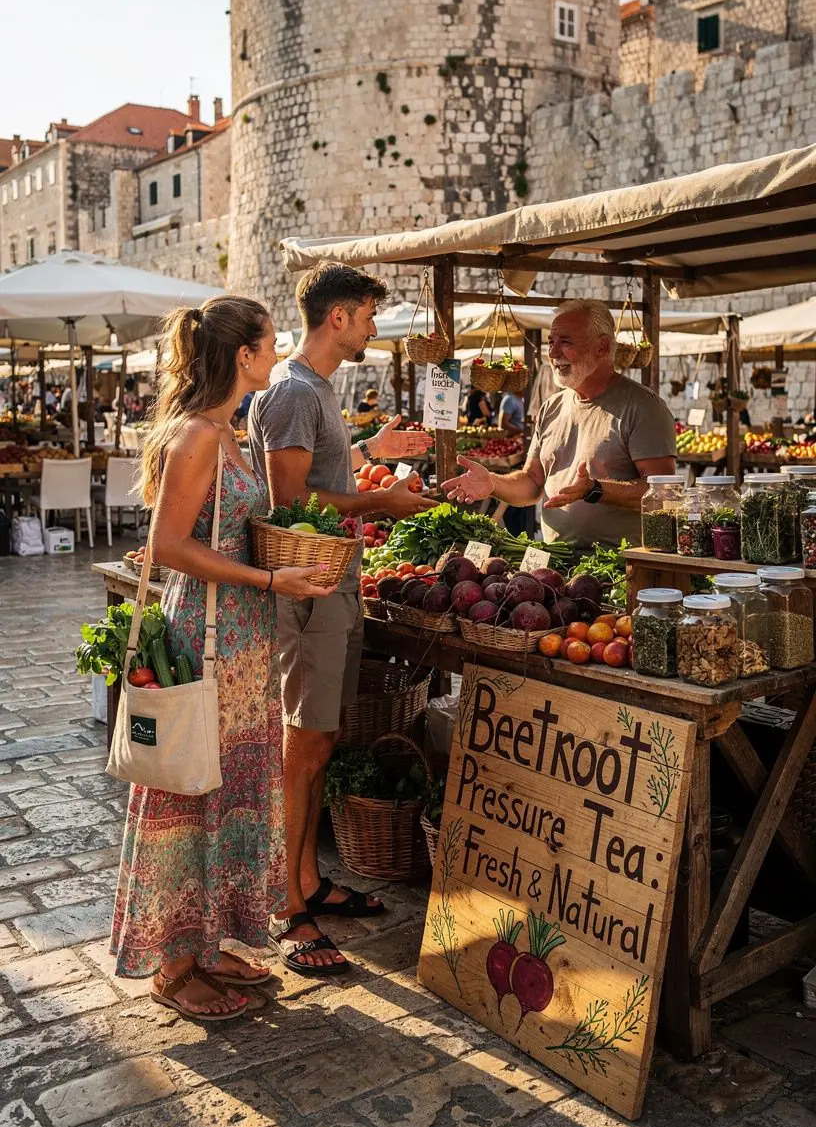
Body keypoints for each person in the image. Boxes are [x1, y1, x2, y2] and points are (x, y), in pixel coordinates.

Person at [110, 295, 335, 1022]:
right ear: (244, 356)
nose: (279, 353)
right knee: (186, 790)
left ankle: (206, 944)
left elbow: (228, 530)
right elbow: (170, 546)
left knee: (226, 788)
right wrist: (273, 578)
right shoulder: (200, 436)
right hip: (203, 637)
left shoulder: (230, 431)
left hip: (239, 640)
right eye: (271, 344)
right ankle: (173, 967)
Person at [248, 262, 435, 974]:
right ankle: (287, 904)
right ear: (337, 318)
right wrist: (379, 503)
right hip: (310, 593)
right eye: (366, 316)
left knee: (320, 742)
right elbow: (292, 502)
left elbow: (322, 478)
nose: (372, 328)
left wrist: (369, 455)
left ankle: (307, 881)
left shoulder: (315, 391)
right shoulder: (295, 391)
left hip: (335, 586)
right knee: (304, 747)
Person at [443, 298, 676, 549]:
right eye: (551, 342)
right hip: (554, 559)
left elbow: (663, 494)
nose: (553, 354)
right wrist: (492, 483)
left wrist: (596, 490)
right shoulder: (552, 407)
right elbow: (532, 483)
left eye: (566, 342)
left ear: (602, 346)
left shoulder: (644, 407)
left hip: (621, 564)